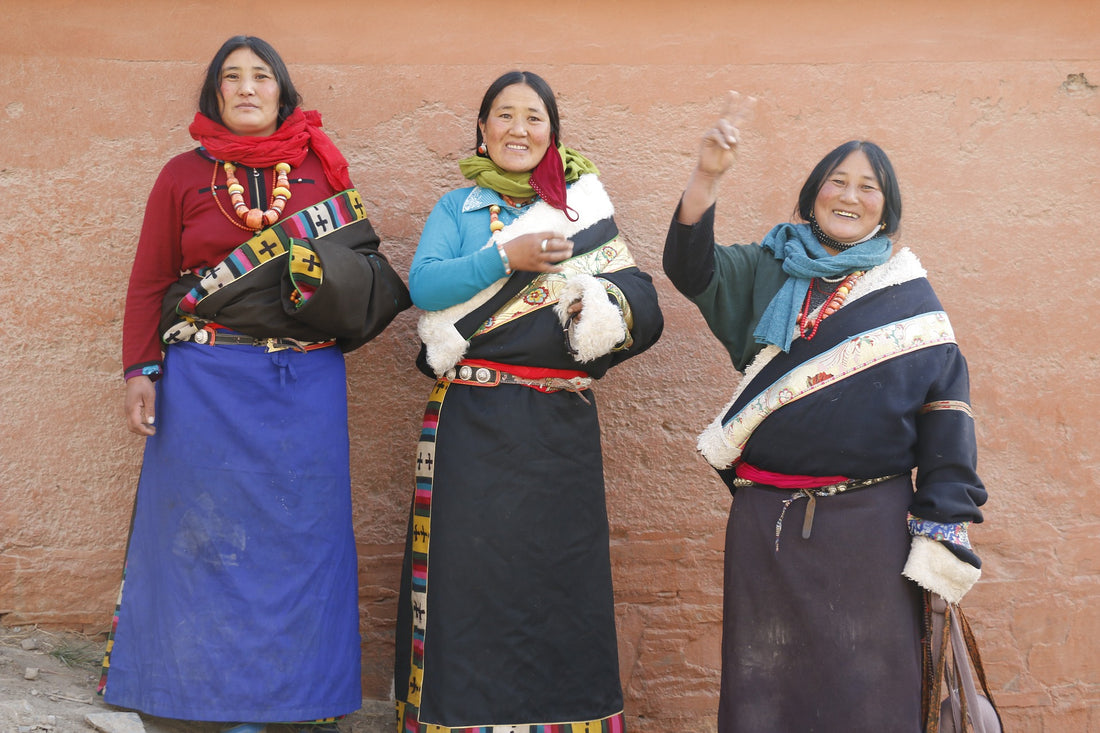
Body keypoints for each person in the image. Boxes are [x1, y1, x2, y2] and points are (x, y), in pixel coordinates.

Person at [101, 35, 410, 733]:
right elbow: (150, 279)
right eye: (231, 78)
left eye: (260, 76)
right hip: (205, 383)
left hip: (305, 384)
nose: (246, 88)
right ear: (214, 94)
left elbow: (362, 269)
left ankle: (290, 703)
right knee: (203, 539)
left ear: (283, 92)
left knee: (300, 539)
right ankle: (198, 702)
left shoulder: (323, 173)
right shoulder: (183, 174)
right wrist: (139, 370)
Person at [662, 92, 987, 732]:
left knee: (871, 691)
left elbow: (945, 413)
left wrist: (942, 529)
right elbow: (689, 265)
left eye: (868, 187)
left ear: (886, 210)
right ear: (812, 194)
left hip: (872, 530)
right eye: (837, 181)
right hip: (767, 528)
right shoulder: (766, 269)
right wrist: (706, 177)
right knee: (765, 686)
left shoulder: (908, 300)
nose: (850, 194)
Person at [394, 70, 663, 732]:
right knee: (467, 587)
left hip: (558, 429)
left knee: (559, 586)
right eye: (504, 116)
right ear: (482, 131)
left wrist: (598, 306)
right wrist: (505, 256)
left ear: (553, 133)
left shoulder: (581, 212)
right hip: (472, 426)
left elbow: (638, 297)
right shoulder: (456, 210)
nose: (519, 128)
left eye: (534, 117)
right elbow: (426, 286)